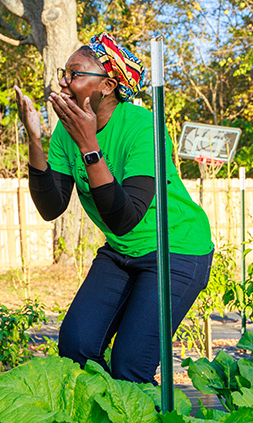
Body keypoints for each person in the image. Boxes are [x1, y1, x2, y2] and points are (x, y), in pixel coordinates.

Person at [14, 33, 214, 384]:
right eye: (64, 72)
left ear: (106, 85)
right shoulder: (65, 132)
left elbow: (125, 218)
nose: (63, 80)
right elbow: (51, 206)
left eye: (74, 73)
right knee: (76, 345)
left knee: (130, 365)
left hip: (176, 251)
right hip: (122, 252)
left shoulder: (143, 128)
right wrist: (34, 140)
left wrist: (90, 145)